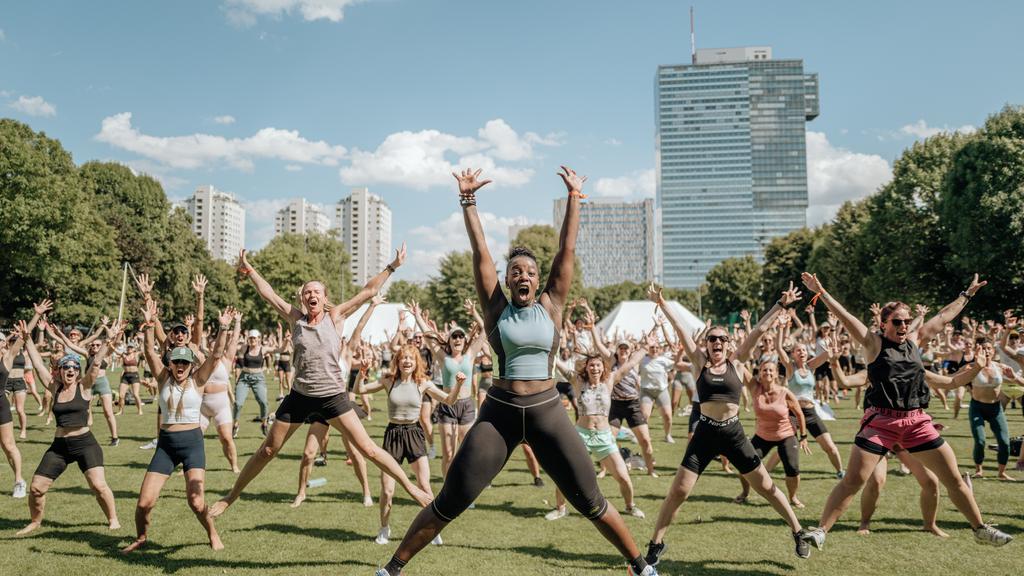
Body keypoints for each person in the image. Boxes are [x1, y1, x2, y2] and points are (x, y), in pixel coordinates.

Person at [376, 167, 657, 576]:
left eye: (529, 272)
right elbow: (481, 253)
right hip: (499, 416)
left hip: (548, 414)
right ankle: (392, 569)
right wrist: (468, 201)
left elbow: (567, 251)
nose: (522, 275)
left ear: (539, 280)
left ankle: (640, 567)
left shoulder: (552, 306)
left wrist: (575, 197)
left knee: (592, 501)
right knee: (451, 500)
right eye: (515, 272)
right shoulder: (496, 310)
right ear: (507, 282)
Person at [209, 245, 430, 520]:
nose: (311, 294)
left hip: (333, 397)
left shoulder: (336, 316)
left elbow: (369, 291)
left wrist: (393, 266)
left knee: (370, 450)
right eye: (307, 292)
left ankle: (411, 488)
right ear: (303, 299)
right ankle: (231, 496)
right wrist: (249, 268)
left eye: (316, 291)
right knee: (267, 450)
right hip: (300, 396)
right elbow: (267, 293)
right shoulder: (295, 318)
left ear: (324, 298)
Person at [798, 272, 1012, 549]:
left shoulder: (914, 341)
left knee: (954, 479)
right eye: (896, 321)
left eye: (906, 321)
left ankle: (980, 528)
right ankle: (821, 531)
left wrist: (967, 295)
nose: (902, 325)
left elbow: (944, 319)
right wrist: (821, 292)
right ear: (883, 323)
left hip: (916, 422)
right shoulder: (873, 343)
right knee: (853, 481)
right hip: (881, 422)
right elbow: (846, 316)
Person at [645, 282, 812, 566]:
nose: (717, 342)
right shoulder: (699, 363)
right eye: (712, 339)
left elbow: (759, 330)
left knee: (767, 488)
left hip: (734, 434)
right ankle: (656, 544)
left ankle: (798, 532)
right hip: (705, 434)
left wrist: (780, 305)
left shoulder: (738, 361)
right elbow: (682, 331)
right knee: (678, 492)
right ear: (706, 344)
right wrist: (661, 303)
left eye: (722, 338)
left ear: (728, 344)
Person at [826, 337, 981, 537]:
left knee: (931, 481)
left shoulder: (916, 372)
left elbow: (951, 382)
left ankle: (930, 524)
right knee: (877, 481)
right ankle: (864, 523)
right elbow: (844, 382)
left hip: (908, 438)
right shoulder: (875, 371)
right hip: (879, 435)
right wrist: (834, 362)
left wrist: (975, 368)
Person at [121, 303, 235, 553]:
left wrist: (224, 328)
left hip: (192, 445)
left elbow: (216, 354)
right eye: (176, 362)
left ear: (192, 364)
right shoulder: (163, 379)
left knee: (196, 502)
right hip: (165, 447)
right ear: (170, 363)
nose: (180, 365)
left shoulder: (199, 380)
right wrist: (150, 325)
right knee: (143, 504)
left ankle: (212, 533)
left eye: (185, 362)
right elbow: (150, 352)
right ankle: (141, 539)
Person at [351, 344, 467, 545]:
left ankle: (433, 529)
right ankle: (384, 529)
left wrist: (457, 386)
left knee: (424, 485)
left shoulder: (423, 383)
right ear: (397, 361)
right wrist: (363, 371)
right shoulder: (389, 381)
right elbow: (358, 389)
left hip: (414, 434)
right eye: (403, 358)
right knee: (387, 490)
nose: (407, 361)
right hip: (393, 435)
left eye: (411, 358)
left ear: (416, 363)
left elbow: (448, 400)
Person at [15, 319, 121, 535]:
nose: (70, 370)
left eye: (74, 367)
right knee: (36, 488)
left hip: (85, 444)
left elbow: (96, 363)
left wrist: (108, 340)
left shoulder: (85, 386)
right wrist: (27, 340)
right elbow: (37, 365)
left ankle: (113, 519)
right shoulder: (55, 388)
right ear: (60, 371)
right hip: (60, 446)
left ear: (78, 371)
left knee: (99, 487)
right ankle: (36, 522)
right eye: (66, 367)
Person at [545, 332, 657, 521]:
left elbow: (630, 364)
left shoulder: (609, 380)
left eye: (598, 365)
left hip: (605, 437)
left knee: (623, 477)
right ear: (586, 368)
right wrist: (547, 351)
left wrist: (646, 347)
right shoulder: (578, 381)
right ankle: (561, 508)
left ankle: (630, 506)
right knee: (565, 474)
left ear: (603, 367)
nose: (595, 367)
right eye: (591, 365)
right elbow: (558, 364)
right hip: (581, 435)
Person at [407, 298, 485, 480]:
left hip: (466, 406)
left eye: (460, 336)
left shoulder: (470, 355)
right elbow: (428, 335)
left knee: (466, 453)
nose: (457, 339)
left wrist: (474, 311)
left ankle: (465, 491)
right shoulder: (443, 357)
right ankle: (447, 493)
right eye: (454, 336)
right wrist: (417, 315)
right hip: (447, 406)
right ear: (449, 341)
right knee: (449, 455)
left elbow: (484, 330)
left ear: (464, 340)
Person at [772, 320, 845, 478]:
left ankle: (841, 472)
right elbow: (778, 348)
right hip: (792, 414)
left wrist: (832, 329)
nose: (802, 352)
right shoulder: (791, 368)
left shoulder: (811, 366)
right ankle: (763, 472)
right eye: (798, 350)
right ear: (793, 354)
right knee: (785, 448)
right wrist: (781, 326)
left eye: (804, 350)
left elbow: (830, 352)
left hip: (811, 413)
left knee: (830, 447)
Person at [964, 336, 1022, 480]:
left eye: (989, 348)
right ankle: (979, 470)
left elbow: (1020, 381)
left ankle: (1002, 472)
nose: (986, 351)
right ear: (977, 350)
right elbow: (952, 379)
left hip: (996, 409)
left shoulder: (1000, 367)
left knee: (1004, 442)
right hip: (977, 408)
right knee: (980, 441)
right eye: (982, 348)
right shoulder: (971, 368)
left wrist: (1014, 376)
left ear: (993, 349)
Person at [114, 341, 145, 416]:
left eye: (131, 347)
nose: (129, 349)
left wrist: (142, 340)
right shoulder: (123, 355)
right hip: (125, 376)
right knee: (121, 395)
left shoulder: (136, 354)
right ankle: (120, 411)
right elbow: (115, 350)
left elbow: (145, 350)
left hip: (134, 376)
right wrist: (110, 343)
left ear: (134, 348)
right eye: (128, 347)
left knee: (135, 394)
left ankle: (140, 410)